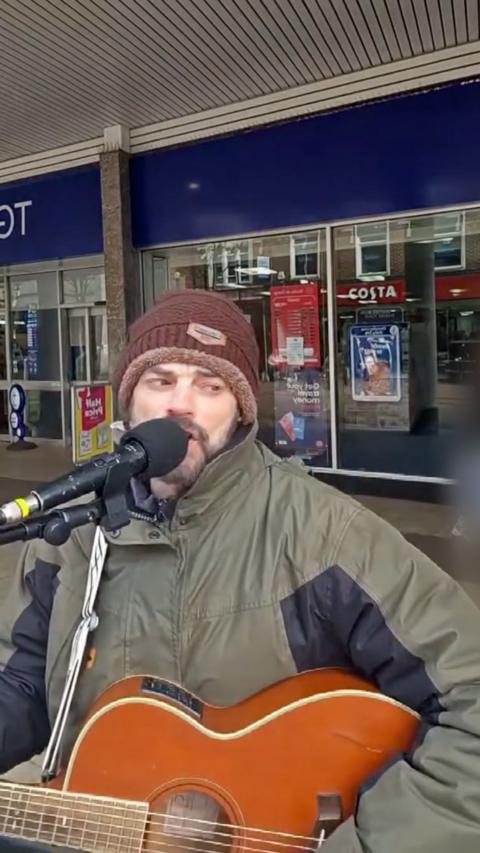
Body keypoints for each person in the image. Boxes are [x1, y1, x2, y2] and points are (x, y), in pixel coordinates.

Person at [0, 289, 480, 853]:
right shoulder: (72, 534)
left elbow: (468, 695)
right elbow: (23, 683)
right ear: (129, 404)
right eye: (161, 381)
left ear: (242, 410)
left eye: (211, 386)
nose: (182, 405)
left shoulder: (327, 536)